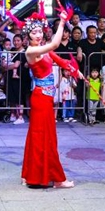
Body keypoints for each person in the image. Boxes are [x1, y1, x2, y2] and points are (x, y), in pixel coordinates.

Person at [21, 10, 80, 189]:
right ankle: (57, 178)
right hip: (40, 98)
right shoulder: (31, 51)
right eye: (34, 33)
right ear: (28, 36)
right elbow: (55, 45)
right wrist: (62, 22)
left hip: (46, 98)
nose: (38, 35)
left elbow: (60, 60)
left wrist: (77, 72)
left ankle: (30, 174)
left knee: (40, 136)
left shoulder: (43, 49)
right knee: (44, 137)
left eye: (40, 31)